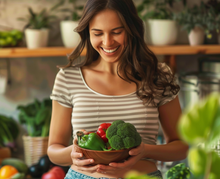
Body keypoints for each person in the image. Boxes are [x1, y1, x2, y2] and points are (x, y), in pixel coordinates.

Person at [47, 0, 189, 178]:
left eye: (117, 32)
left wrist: (144, 151)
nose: (107, 42)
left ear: (132, 30)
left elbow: (181, 147)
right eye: (97, 33)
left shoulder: (158, 75)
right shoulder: (69, 78)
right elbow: (53, 150)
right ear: (87, 33)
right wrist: (73, 153)